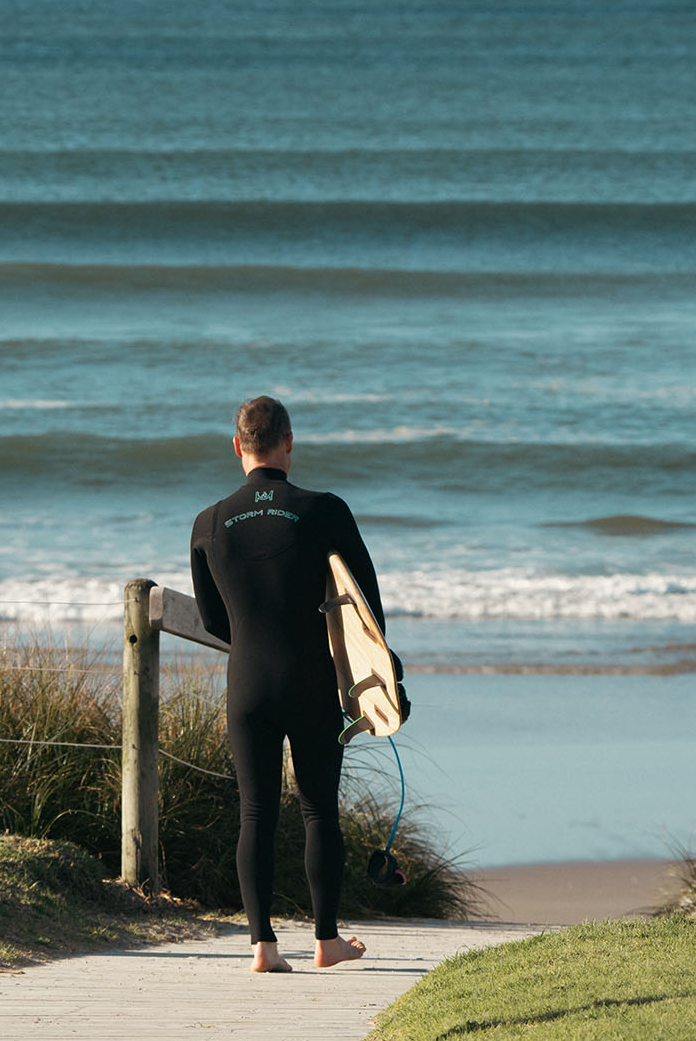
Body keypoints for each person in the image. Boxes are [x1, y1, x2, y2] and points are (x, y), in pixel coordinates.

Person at [189, 395, 390, 973]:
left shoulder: (209, 522)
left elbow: (211, 621)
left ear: (237, 447)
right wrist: (383, 672)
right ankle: (327, 942)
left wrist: (254, 638)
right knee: (319, 811)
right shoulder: (325, 509)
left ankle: (263, 947)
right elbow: (367, 608)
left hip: (246, 683)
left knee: (256, 813)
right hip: (309, 680)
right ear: (290, 442)